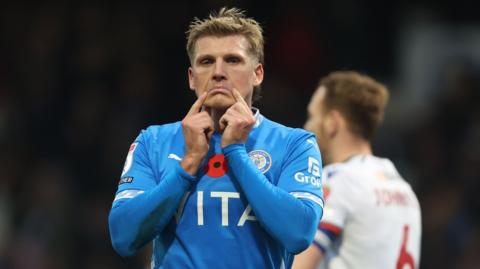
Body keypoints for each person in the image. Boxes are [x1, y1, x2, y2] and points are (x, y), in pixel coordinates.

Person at [108, 7, 324, 269]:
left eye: (233, 60)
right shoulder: (153, 142)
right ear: (191, 77)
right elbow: (123, 236)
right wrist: (188, 163)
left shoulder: (294, 144)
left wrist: (235, 153)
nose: (218, 72)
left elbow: (299, 233)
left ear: (258, 74)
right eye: (206, 61)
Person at [292, 71, 422, 269]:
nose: (306, 127)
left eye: (311, 117)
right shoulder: (404, 189)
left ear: (332, 122)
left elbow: (297, 265)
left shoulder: (338, 181)